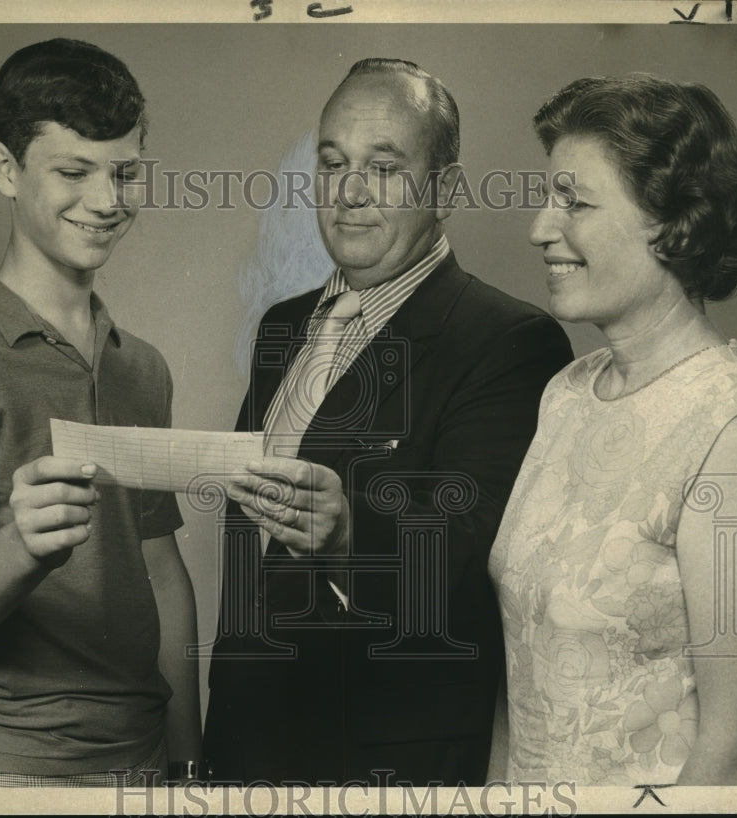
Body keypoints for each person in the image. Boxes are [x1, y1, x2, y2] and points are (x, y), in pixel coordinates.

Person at [203, 58, 573, 785]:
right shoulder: (283, 327)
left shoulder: (508, 341)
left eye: (383, 167)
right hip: (244, 750)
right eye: (333, 163)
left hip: (388, 768)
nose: (348, 194)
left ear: (446, 189)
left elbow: (476, 565)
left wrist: (348, 535)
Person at [0, 39, 202, 786]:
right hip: (7, 773)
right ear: (5, 168)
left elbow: (161, 575)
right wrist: (21, 549)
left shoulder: (141, 366)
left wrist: (190, 761)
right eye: (72, 171)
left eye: (125, 172)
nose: (106, 200)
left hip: (146, 767)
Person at [488, 75, 737, 786]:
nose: (541, 227)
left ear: (671, 223)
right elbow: (525, 691)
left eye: (574, 202)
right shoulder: (567, 394)